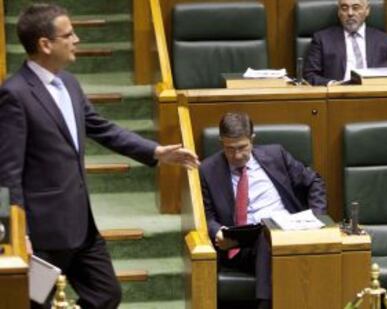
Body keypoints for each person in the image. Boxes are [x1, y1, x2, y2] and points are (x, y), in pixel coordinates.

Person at [0, 3, 199, 309]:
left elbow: (101, 128)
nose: (76, 39)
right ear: (45, 44)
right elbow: (8, 171)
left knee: (106, 294)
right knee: (35, 302)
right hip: (42, 234)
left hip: (81, 225)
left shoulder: (69, 83)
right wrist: (19, 231)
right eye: (68, 34)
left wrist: (156, 151)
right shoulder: (15, 94)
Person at [199, 112, 326, 309]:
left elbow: (313, 181)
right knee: (266, 235)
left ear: (252, 139)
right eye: (229, 149)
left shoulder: (276, 155)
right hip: (242, 244)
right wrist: (218, 232)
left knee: (271, 235)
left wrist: (317, 220)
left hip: (290, 234)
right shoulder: (208, 170)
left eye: (242, 147)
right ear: (220, 142)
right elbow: (206, 215)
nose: (237, 155)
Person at [304, 0, 387, 85]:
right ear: (339, 12)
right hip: (337, 96)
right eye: (344, 8)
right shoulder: (322, 39)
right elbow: (310, 75)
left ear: (367, 10)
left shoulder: (384, 40)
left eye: (356, 8)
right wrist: (333, 84)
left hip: (374, 95)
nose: (350, 13)